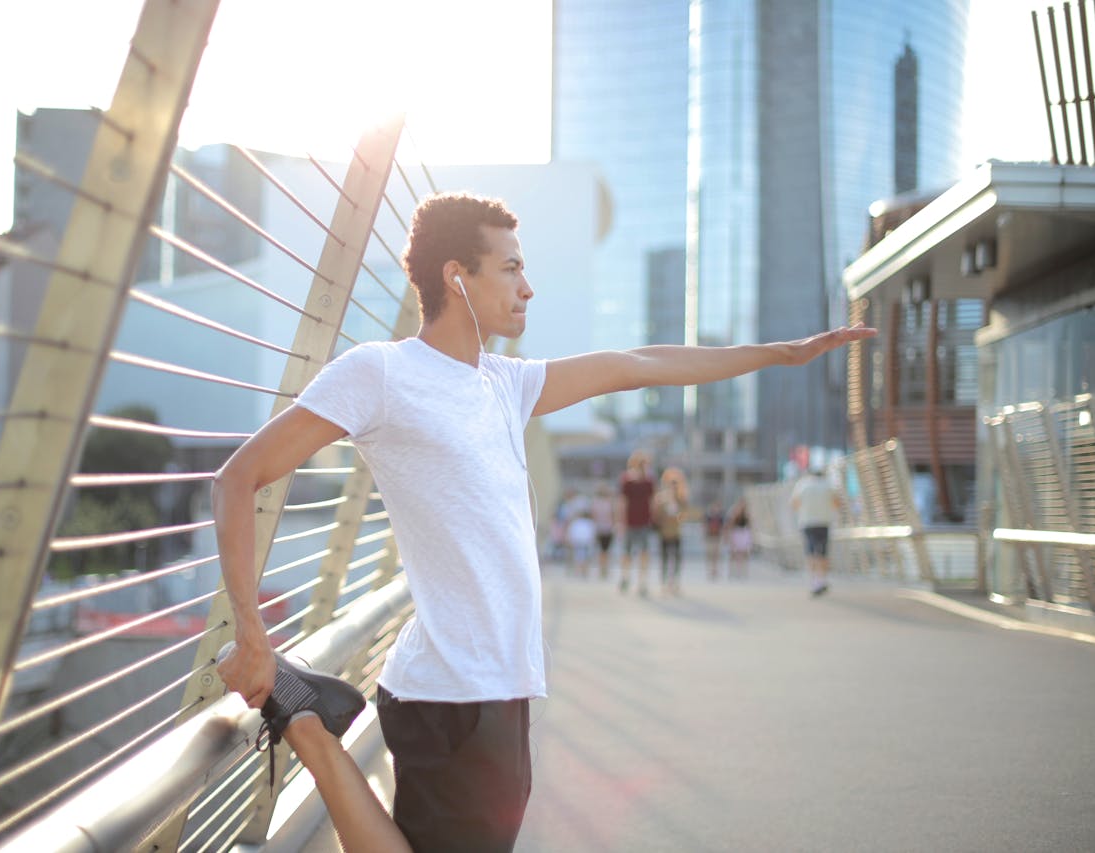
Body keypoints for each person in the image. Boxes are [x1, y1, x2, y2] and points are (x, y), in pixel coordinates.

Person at [213, 191, 875, 852]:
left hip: (503, 681)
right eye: (510, 268)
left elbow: (633, 364)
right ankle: (307, 728)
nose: (528, 288)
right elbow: (237, 477)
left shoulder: (505, 383)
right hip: (450, 688)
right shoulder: (382, 373)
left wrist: (779, 354)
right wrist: (250, 630)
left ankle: (308, 723)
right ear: (456, 276)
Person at [791, 468, 842, 596]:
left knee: (811, 551)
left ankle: (814, 580)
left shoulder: (803, 484)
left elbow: (794, 503)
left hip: (807, 522)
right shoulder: (828, 484)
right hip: (824, 522)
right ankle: (822, 579)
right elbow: (837, 503)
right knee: (823, 552)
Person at [618, 449, 656, 596]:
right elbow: (623, 502)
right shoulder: (627, 480)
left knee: (644, 553)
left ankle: (642, 582)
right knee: (626, 553)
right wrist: (621, 521)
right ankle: (625, 577)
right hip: (629, 522)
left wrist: (653, 519)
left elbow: (652, 502)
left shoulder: (649, 482)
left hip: (644, 521)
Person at [651, 467, 691, 595]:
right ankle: (664, 582)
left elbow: (685, 514)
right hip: (664, 532)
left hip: (676, 531)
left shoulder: (681, 498)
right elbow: (656, 514)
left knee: (677, 558)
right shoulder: (661, 498)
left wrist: (678, 517)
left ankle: (675, 582)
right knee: (664, 558)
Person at [589, 482, 618, 580]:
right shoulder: (602, 502)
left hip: (604, 529)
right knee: (604, 550)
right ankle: (603, 568)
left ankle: (604, 568)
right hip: (603, 529)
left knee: (604, 550)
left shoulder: (602, 502)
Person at [565, 509, 596, 577]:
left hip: (579, 542)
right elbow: (592, 534)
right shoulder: (588, 523)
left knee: (579, 558)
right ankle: (582, 572)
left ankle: (580, 572)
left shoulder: (577, 523)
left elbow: (572, 533)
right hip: (584, 542)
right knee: (583, 558)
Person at [726, 499, 752, 579]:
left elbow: (750, 525)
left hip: (744, 534)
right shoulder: (734, 514)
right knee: (734, 554)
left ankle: (743, 572)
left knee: (744, 554)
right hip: (736, 534)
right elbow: (730, 525)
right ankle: (732, 572)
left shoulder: (747, 515)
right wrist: (729, 537)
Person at [702, 500, 725, 581]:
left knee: (716, 555)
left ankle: (715, 570)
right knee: (710, 555)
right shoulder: (708, 516)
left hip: (717, 537)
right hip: (710, 537)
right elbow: (704, 526)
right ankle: (710, 570)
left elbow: (722, 528)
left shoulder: (720, 516)